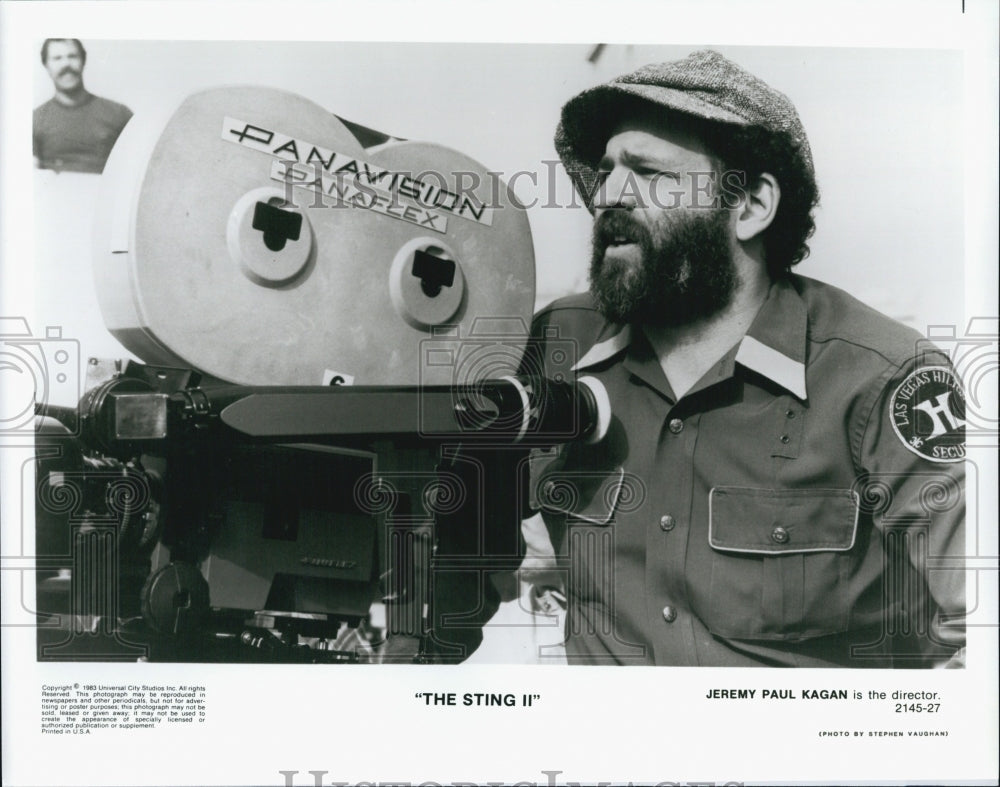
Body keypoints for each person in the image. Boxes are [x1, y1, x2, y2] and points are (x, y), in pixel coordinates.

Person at [491, 49, 966, 667]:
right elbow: (461, 550)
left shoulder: (885, 377)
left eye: (648, 172)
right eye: (605, 171)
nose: (606, 194)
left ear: (751, 206)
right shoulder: (558, 344)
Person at [33, 39, 132, 174]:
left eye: (72, 56)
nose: (66, 64)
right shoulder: (35, 120)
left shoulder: (119, 114)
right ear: (46, 65)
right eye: (57, 58)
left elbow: (136, 166)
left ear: (83, 61)